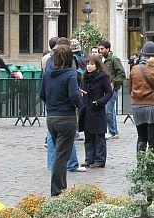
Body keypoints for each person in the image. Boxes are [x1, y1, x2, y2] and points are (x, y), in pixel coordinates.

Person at [40, 45, 82, 196]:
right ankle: (57, 190)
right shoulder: (70, 74)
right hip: (66, 118)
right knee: (61, 156)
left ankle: (62, 188)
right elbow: (73, 96)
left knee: (60, 153)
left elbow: (42, 95)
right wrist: (80, 106)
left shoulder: (47, 74)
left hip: (51, 118)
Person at [129, 41, 154, 153]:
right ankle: (150, 168)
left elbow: (130, 88)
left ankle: (141, 165)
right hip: (153, 106)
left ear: (142, 54)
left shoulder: (134, 69)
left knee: (141, 138)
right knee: (153, 140)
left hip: (137, 106)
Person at [78, 54, 113, 168]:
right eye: (88, 64)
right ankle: (89, 159)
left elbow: (109, 92)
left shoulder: (102, 77)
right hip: (86, 110)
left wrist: (100, 101)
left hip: (97, 110)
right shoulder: (84, 77)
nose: (89, 66)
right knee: (88, 137)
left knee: (99, 137)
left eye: (92, 64)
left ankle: (99, 160)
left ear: (97, 66)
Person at [98, 40, 126, 140]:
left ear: (108, 49)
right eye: (99, 49)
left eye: (102, 49)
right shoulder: (101, 60)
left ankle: (113, 131)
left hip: (111, 89)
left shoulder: (114, 59)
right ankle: (113, 131)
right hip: (103, 89)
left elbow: (122, 74)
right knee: (110, 111)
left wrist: (113, 82)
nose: (100, 51)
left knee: (108, 111)